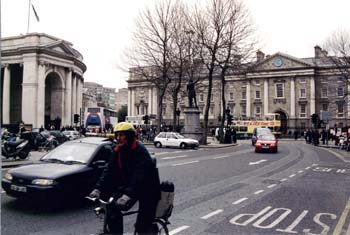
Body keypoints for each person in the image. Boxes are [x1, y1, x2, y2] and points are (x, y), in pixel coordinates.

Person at [89, 122, 160, 234]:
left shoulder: (140, 152)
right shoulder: (118, 150)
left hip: (148, 189)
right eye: (117, 135)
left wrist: (127, 195)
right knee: (112, 207)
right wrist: (98, 188)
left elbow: (139, 176)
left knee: (143, 225)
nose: (118, 138)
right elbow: (109, 170)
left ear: (130, 136)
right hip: (129, 186)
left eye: (122, 135)